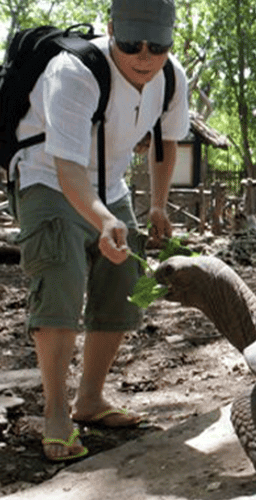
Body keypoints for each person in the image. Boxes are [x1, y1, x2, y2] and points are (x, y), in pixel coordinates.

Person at [11, 0, 189, 461]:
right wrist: (105, 220)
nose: (145, 56)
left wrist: (156, 205)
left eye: (158, 46)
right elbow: (68, 168)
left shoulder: (171, 77)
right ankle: (55, 412)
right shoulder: (74, 71)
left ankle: (90, 399)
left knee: (125, 282)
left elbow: (166, 144)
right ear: (112, 29)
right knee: (62, 279)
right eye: (132, 43)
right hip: (47, 176)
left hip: (110, 183)